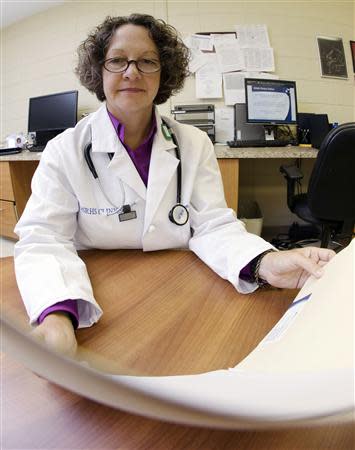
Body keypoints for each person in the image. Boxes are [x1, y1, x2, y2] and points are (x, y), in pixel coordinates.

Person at [14, 14, 335, 356]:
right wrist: (57, 315)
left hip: (180, 286)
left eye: (148, 61)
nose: (132, 71)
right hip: (94, 286)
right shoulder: (65, 149)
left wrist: (267, 263)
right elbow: (44, 238)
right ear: (99, 70)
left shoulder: (194, 143)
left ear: (164, 71)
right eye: (117, 60)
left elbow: (212, 226)